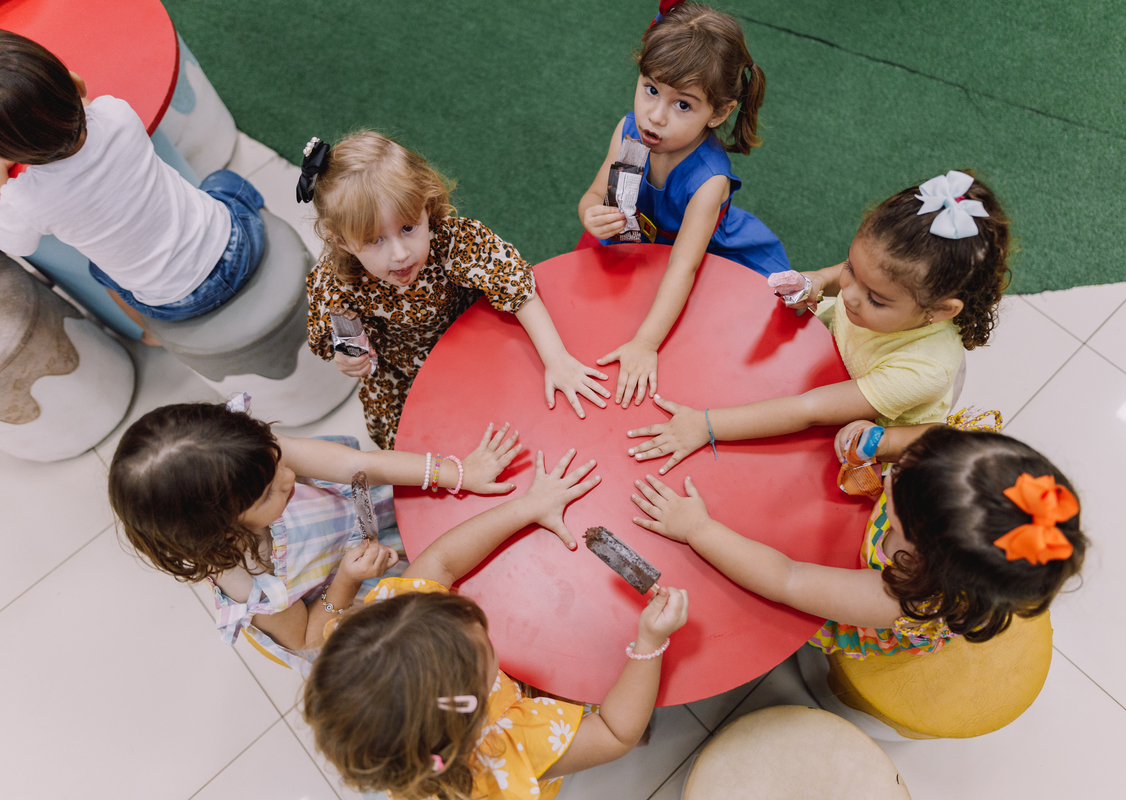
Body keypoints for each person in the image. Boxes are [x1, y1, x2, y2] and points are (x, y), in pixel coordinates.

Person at [303, 449, 690, 799]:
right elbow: (615, 732)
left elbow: (440, 562)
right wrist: (649, 642)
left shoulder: (385, 631)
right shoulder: (505, 749)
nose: (486, 630)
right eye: (485, 645)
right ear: (474, 696)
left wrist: (530, 505)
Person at [626, 169, 1011, 474]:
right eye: (851, 268)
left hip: (866, 415)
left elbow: (809, 410)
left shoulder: (924, 370)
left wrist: (704, 425)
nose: (851, 294)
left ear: (941, 310)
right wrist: (816, 283)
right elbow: (841, 282)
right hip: (833, 354)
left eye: (875, 298)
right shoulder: (874, 291)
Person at [107, 395, 522, 673]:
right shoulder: (254, 583)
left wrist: (456, 472)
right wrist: (346, 578)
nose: (289, 475)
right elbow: (307, 637)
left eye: (276, 457)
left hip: (363, 518)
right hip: (352, 588)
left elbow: (355, 466)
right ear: (223, 528)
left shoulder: (241, 457)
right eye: (270, 491)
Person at [630, 424, 1085, 657]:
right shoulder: (958, 466)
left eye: (899, 478)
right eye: (914, 456)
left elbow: (788, 578)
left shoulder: (902, 595)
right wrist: (876, 439)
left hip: (847, 610)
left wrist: (697, 529)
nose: (898, 463)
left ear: (918, 549)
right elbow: (917, 441)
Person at [302, 131, 610, 451]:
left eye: (408, 228)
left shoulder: (451, 241)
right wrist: (345, 357)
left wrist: (557, 359)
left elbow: (518, 287)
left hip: (478, 340)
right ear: (342, 242)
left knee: (525, 420)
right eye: (375, 240)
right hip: (406, 374)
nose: (400, 254)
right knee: (414, 447)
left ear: (426, 204)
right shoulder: (338, 282)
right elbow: (336, 339)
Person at [577, 2, 789, 409]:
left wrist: (645, 342)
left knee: (712, 351)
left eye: (683, 105)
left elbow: (683, 266)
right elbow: (591, 196)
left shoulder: (709, 180)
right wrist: (591, 215)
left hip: (704, 255)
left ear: (720, 112)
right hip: (640, 238)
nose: (654, 116)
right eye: (650, 89)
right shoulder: (628, 131)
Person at [0, 31, 265, 344]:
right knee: (223, 183)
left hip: (174, 304)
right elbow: (83, 111)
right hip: (241, 247)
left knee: (103, 275)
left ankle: (151, 333)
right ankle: (267, 224)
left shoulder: (27, 200)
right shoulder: (117, 114)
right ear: (77, 84)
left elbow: (17, 245)